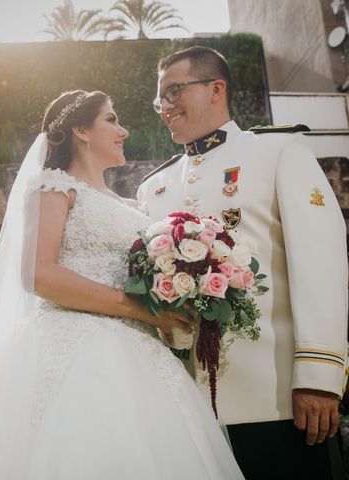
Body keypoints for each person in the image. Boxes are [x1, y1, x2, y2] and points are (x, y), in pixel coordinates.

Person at [0, 90, 244, 479]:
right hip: (74, 345)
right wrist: (144, 310)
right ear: (80, 129)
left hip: (143, 352)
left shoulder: (130, 205)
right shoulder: (53, 188)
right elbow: (37, 274)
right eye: (112, 120)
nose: (124, 130)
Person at [137, 45, 349, 479]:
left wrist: (317, 376)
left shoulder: (277, 151)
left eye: (175, 91)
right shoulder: (153, 188)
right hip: (188, 410)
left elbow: (321, 262)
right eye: (161, 99)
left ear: (216, 88)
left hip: (274, 399)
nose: (166, 107)